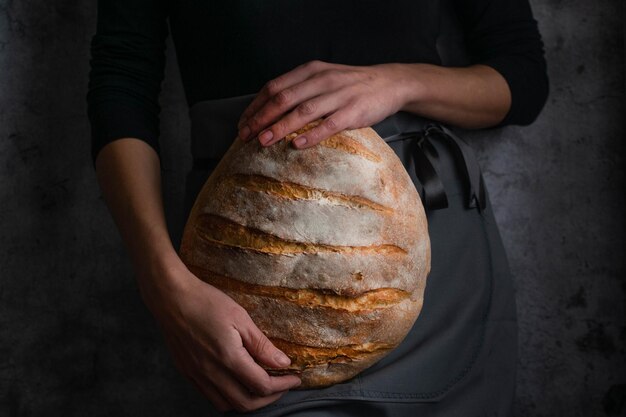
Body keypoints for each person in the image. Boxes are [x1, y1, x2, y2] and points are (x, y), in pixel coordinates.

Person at [87, 0, 548, 415]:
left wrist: (399, 81)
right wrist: (161, 283)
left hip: (438, 256)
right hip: (251, 278)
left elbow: (523, 77)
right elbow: (122, 84)